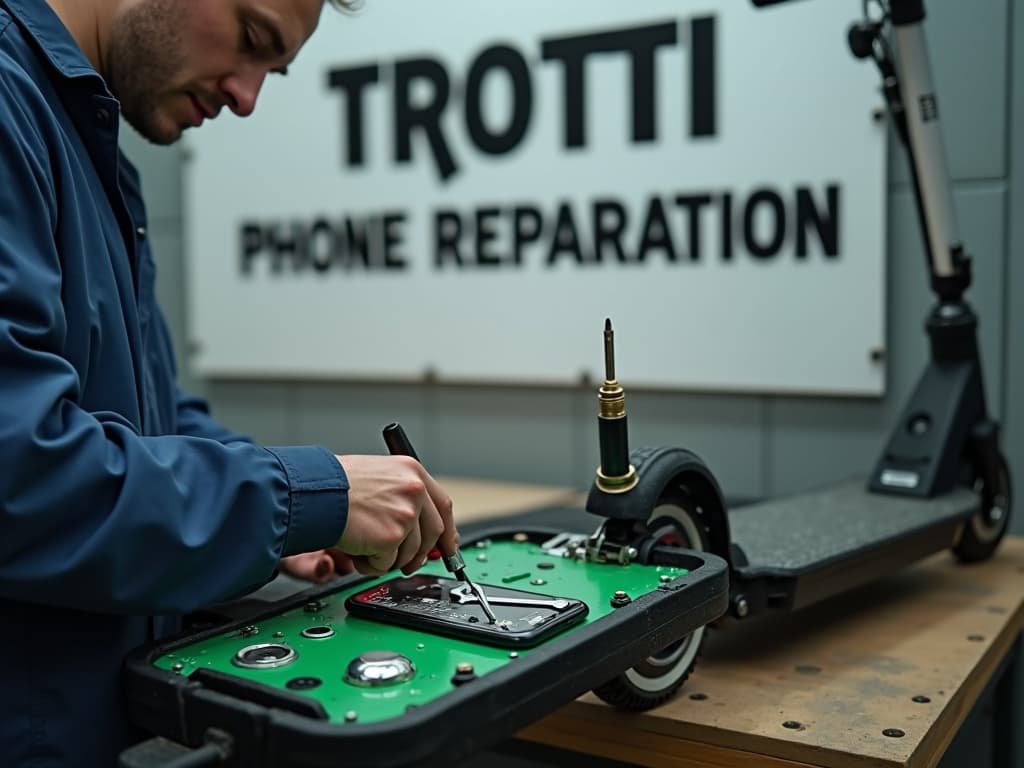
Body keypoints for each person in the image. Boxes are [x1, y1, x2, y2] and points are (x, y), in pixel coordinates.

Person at [0, 0, 458, 764]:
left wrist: (295, 520)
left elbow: (151, 419)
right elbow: (20, 470)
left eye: (272, 73)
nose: (246, 98)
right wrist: (302, 495)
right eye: (251, 41)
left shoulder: (97, 149)